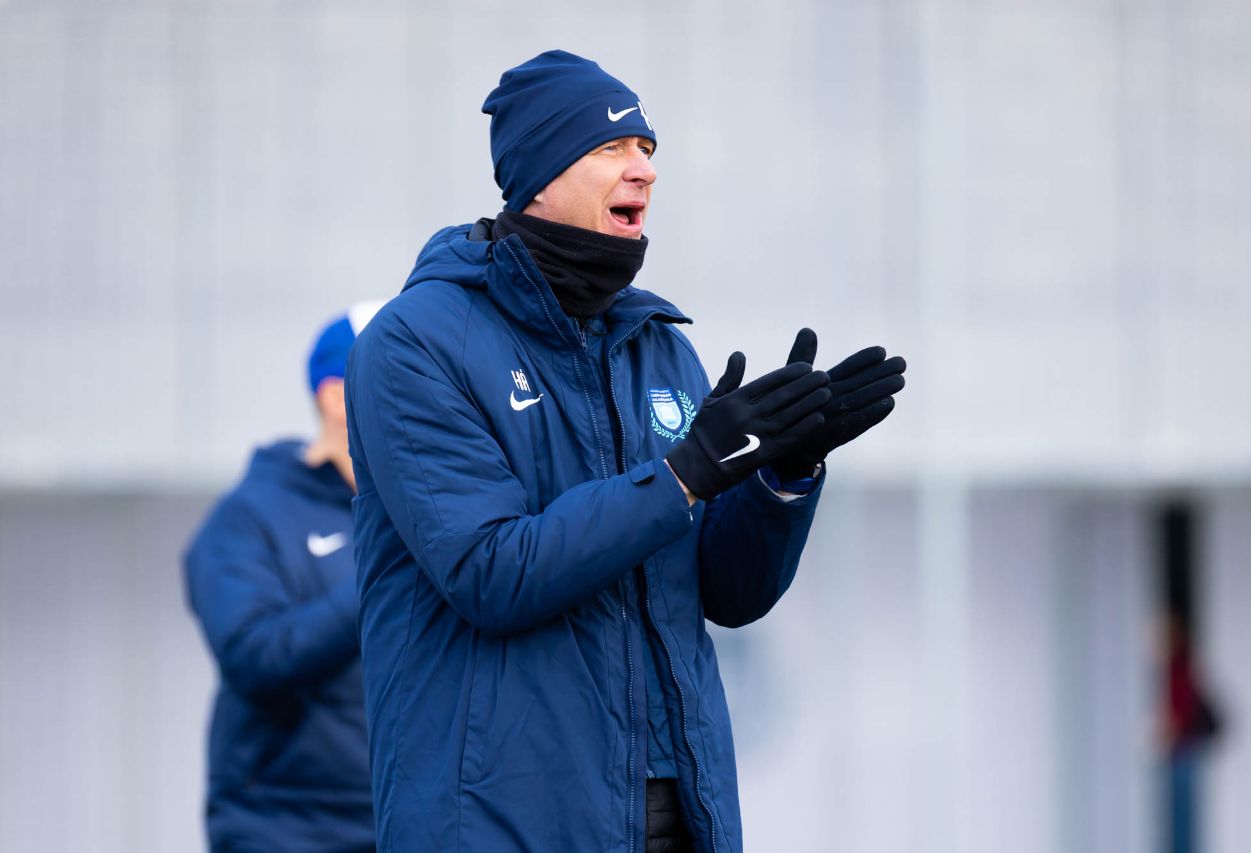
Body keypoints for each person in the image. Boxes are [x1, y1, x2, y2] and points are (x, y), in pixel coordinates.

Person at [345, 50, 907, 853]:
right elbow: (491, 572)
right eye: (611, 147)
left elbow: (725, 591)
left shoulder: (655, 343)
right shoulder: (416, 344)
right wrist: (686, 472)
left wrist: (782, 474)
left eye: (646, 148)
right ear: (538, 175)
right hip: (504, 824)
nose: (643, 168)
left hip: (681, 815)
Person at [184, 302, 384, 853]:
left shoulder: (429, 512)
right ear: (336, 397)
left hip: (411, 825)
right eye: (403, 374)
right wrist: (383, 579)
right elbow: (254, 657)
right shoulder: (249, 517)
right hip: (286, 830)